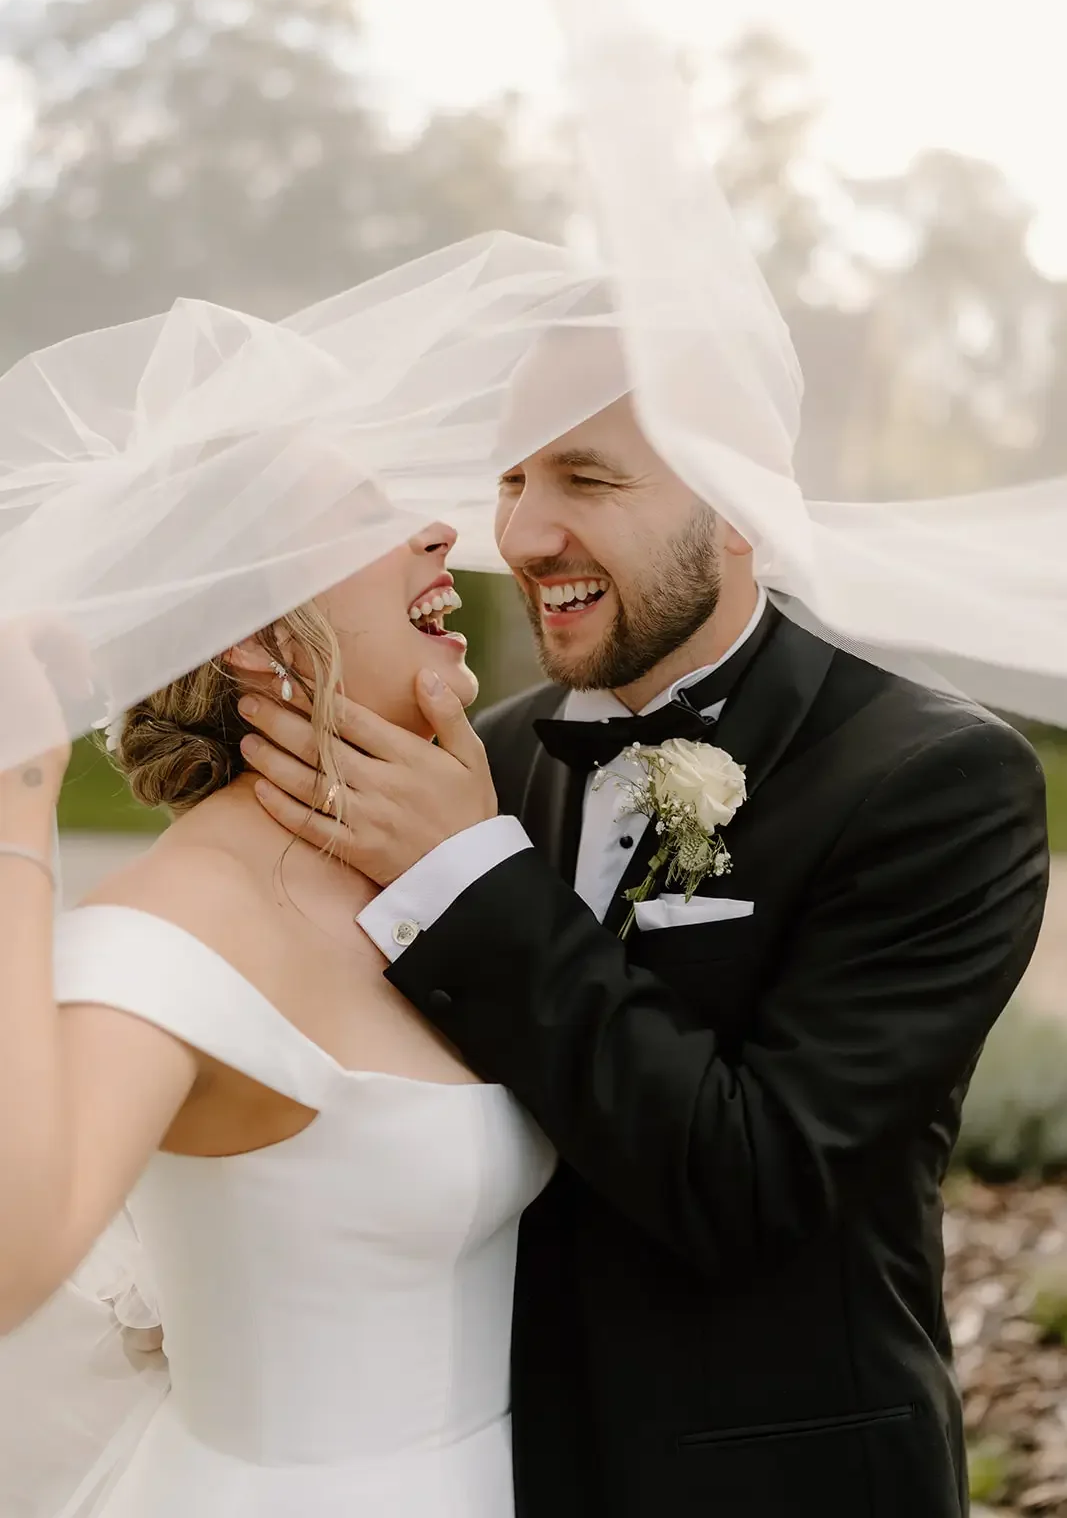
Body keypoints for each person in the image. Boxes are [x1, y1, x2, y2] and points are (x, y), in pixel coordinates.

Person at [246, 388, 1051, 1518]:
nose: (521, 535)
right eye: (514, 482)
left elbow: (754, 1178)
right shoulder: (480, 758)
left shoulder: (936, 783)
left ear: (738, 504)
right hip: (488, 1469)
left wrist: (472, 880)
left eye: (585, 478)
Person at [0, 520, 555, 1517]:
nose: (438, 529)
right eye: (366, 519)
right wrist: (17, 793)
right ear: (248, 634)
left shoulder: (449, 860)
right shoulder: (168, 930)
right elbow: (13, 1255)